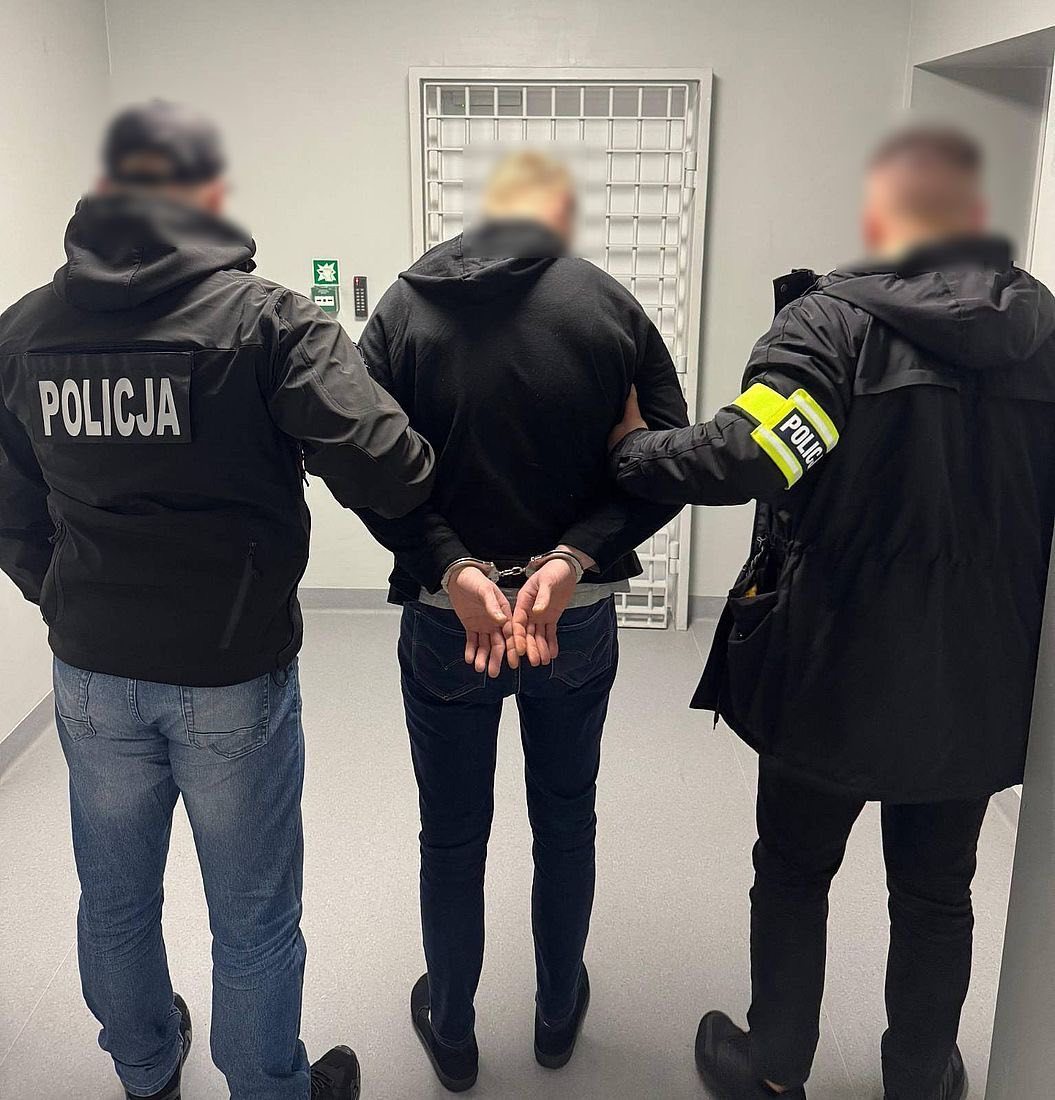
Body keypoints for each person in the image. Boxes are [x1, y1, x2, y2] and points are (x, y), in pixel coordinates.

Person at [609, 125, 1055, 1100]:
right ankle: (919, 1079)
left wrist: (633, 451)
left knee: (793, 869)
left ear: (883, 219)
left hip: (832, 669)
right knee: (935, 892)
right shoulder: (1043, 335)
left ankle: (772, 1069)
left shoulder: (832, 328)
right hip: (978, 678)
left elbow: (757, 454)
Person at [0, 101, 435, 1100]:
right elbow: (395, 470)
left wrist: (57, 592)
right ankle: (267, 1082)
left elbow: (9, 499)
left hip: (90, 668)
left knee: (114, 897)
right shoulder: (267, 322)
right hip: (229, 668)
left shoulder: (22, 332)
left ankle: (145, 1067)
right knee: (252, 913)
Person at [354, 150, 689, 1091]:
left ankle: (453, 1030)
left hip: (446, 619)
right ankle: (554, 1015)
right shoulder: (607, 306)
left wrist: (450, 562)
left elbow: (361, 464)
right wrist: (572, 555)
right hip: (567, 617)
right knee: (566, 819)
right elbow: (663, 457)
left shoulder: (402, 311)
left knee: (451, 834)